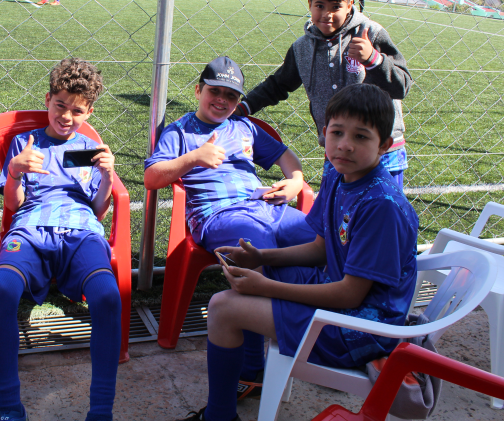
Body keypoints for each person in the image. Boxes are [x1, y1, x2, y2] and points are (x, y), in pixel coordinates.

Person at [178, 83, 419, 421]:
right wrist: (262, 260)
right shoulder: (340, 175)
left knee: (222, 308)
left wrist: (265, 288)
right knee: (247, 277)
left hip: (359, 330)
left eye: (361, 137)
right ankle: (252, 376)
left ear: (385, 146)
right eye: (337, 132)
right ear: (324, 134)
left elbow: (351, 295)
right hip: (340, 300)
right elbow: (322, 249)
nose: (345, 145)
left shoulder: (381, 205)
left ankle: (219, 415)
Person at [145, 56, 317, 400]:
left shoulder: (245, 127)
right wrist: (193, 158)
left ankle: (316, 327)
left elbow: (285, 156)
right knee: (259, 247)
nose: (222, 100)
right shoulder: (180, 132)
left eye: (232, 96)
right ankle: (254, 367)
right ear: (198, 90)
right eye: (215, 91)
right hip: (218, 215)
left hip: (264, 204)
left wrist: (296, 182)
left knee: (318, 237)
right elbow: (152, 177)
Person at [0, 58, 121, 421]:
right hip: (30, 230)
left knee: (108, 297)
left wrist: (107, 179)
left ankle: (101, 411)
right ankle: (9, 408)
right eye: (59, 105)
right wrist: (15, 172)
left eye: (76, 110)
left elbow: (97, 210)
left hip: (80, 231)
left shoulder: (88, 148)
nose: (65, 116)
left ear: (88, 111)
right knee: (0, 290)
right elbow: (14, 206)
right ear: (48, 99)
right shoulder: (25, 144)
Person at [234, 0, 411, 188]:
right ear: (309, 4)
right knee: (335, 215)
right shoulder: (302, 48)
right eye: (320, 6)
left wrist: (373, 59)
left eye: (336, 7)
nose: (327, 14)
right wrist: (245, 107)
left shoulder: (370, 34)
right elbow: (278, 84)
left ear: (350, 4)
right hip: (337, 149)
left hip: (380, 152)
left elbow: (402, 85)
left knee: (383, 214)